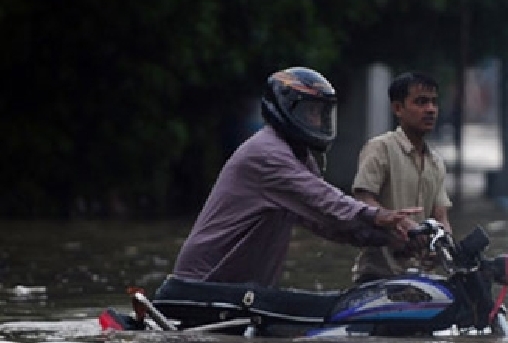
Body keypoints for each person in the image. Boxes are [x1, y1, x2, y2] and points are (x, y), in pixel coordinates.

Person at [158, 67, 421, 290]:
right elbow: (326, 200)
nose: (317, 120)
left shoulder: (299, 157)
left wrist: (389, 238)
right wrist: (378, 215)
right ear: (286, 109)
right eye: (310, 112)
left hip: (242, 291)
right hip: (202, 286)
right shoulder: (267, 154)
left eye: (321, 113)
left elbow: (326, 222)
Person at [351, 71, 452, 283]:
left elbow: (441, 216)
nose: (431, 110)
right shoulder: (380, 148)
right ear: (398, 108)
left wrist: (443, 247)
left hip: (421, 280)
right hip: (377, 276)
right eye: (421, 102)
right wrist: (401, 223)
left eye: (434, 102)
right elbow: (361, 200)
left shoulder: (436, 162)